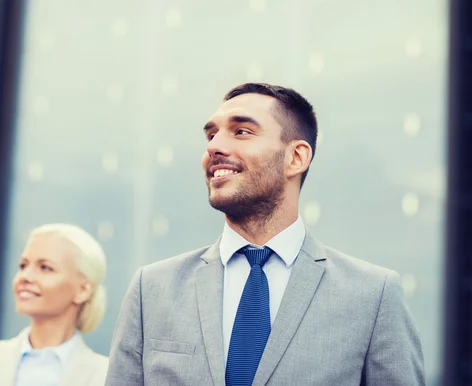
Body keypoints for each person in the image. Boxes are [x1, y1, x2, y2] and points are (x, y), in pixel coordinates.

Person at [105, 83, 425, 385]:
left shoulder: (373, 295)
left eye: (241, 131)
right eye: (211, 135)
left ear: (295, 157)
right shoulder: (153, 289)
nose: (215, 147)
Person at [0, 223, 109, 386]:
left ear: (83, 290)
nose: (25, 276)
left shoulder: (109, 377)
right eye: (23, 265)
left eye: (45, 268)